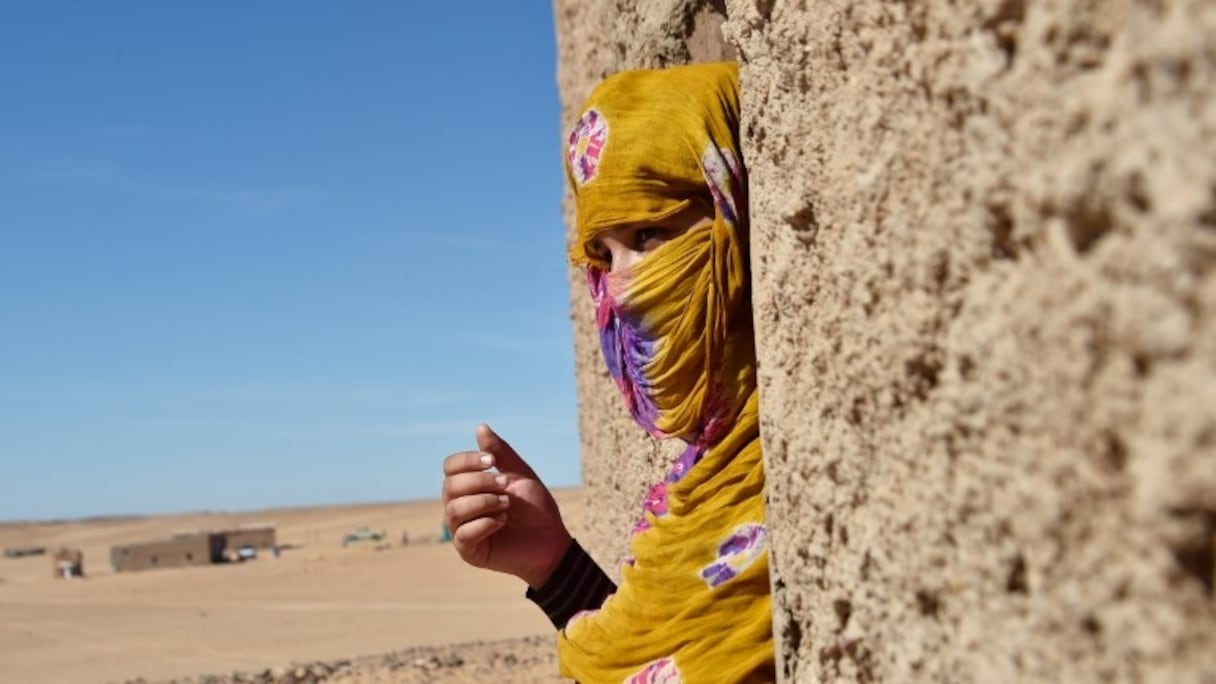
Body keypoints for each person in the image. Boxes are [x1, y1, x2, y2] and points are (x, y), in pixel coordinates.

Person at [441, 62, 773, 682]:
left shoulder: (777, 463)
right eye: (603, 254)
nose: (617, 288)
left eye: (650, 232)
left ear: (735, 210)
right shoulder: (710, 472)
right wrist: (551, 565)